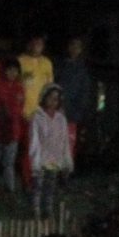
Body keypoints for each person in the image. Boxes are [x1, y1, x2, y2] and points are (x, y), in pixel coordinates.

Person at [29, 86, 74, 221]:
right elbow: (34, 140)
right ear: (44, 98)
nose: (53, 102)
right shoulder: (37, 117)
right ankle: (36, 213)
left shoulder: (61, 119)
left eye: (56, 99)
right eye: (50, 98)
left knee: (50, 188)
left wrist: (66, 160)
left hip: (55, 158)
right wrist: (35, 160)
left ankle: (47, 213)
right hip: (41, 158)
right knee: (38, 188)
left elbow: (64, 141)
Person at [0, 59, 27, 193]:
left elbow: (20, 109)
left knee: (9, 163)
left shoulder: (19, 89)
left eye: (15, 70)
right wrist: (2, 116)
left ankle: (9, 188)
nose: (12, 73)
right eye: (10, 70)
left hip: (13, 131)